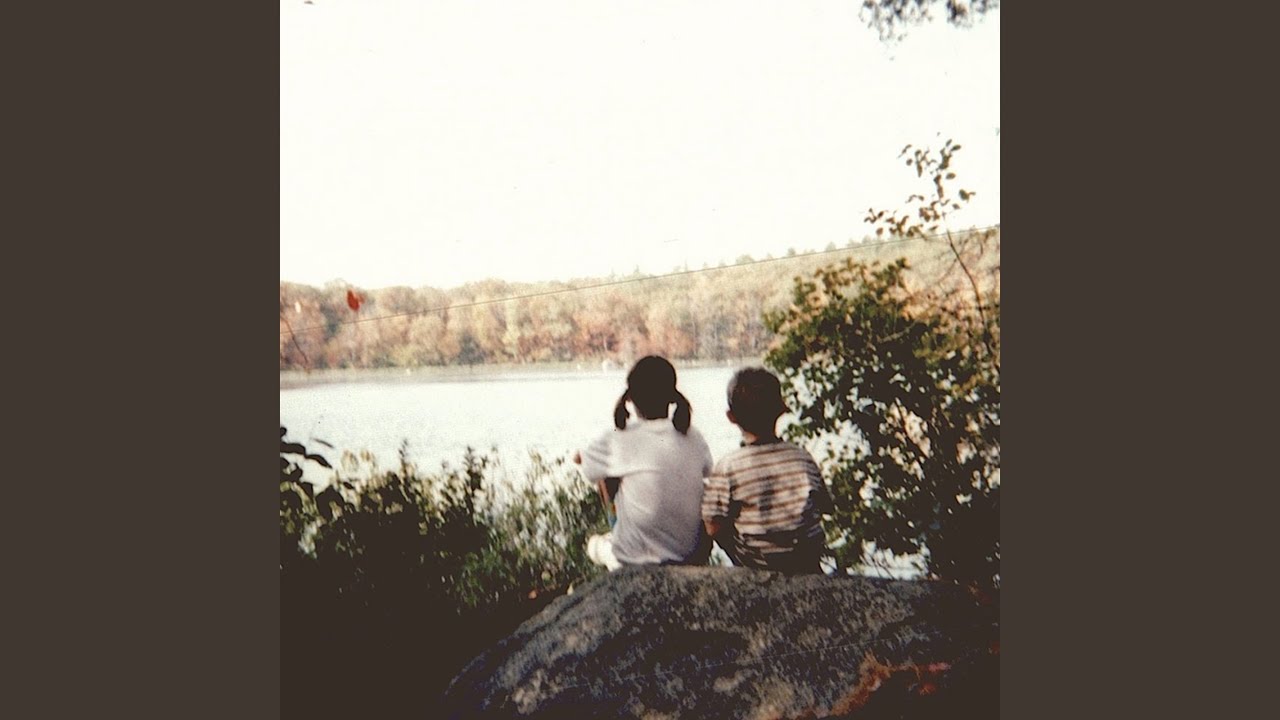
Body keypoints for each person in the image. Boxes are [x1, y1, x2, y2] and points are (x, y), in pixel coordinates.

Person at [575, 356, 714, 567]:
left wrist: (582, 456)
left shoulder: (618, 438)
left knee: (595, 544)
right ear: (672, 398)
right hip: (689, 554)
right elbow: (707, 471)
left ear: (630, 399)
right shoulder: (694, 435)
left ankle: (614, 534)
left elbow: (583, 463)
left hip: (634, 559)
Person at [702, 367, 833, 574]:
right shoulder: (802, 458)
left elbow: (712, 527)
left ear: (731, 417)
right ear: (781, 410)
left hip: (757, 565)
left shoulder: (729, 466)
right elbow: (825, 506)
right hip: (807, 563)